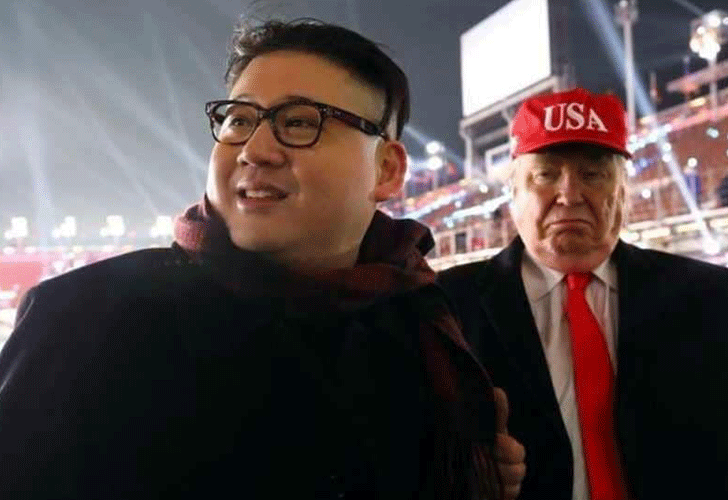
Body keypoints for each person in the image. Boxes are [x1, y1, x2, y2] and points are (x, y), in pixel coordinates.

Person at [0, 18, 519, 499]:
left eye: (300, 121)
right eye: (239, 120)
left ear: (386, 169)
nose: (256, 149)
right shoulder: (83, 320)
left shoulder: (422, 326)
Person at [438, 88, 728, 500]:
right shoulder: (450, 306)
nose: (569, 194)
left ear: (623, 190)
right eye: (546, 174)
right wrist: (461, 472)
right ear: (514, 193)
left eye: (592, 175)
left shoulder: (712, 298)